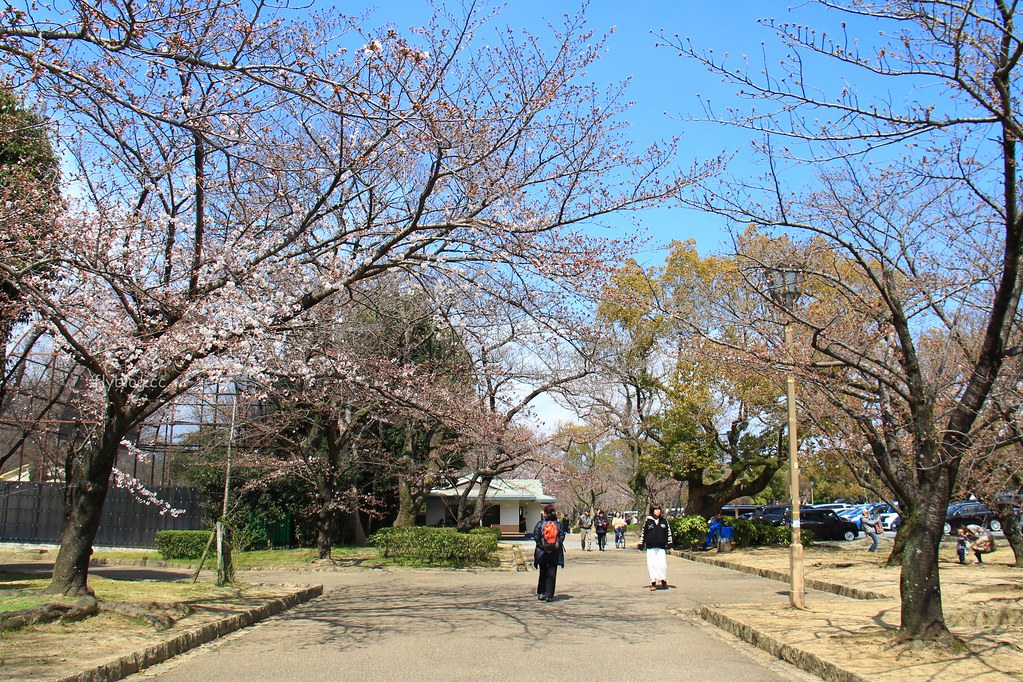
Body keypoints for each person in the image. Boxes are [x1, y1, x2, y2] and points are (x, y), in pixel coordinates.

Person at [533, 504, 566, 602]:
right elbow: (561, 536)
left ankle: (541, 593)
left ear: (545, 514)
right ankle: (549, 594)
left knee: (543, 572)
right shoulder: (558, 525)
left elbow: (536, 536)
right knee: (552, 573)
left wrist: (543, 547)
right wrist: (555, 546)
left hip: (542, 552)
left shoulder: (540, 524)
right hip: (555, 553)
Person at [639, 504, 673, 591]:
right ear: (652, 511)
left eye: (659, 510)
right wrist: (641, 545)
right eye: (655, 510)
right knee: (652, 565)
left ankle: (663, 579)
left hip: (661, 546)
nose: (658, 511)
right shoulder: (648, 521)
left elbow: (668, 533)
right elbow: (643, 533)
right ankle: (653, 583)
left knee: (662, 565)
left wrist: (670, 545)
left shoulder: (664, 521)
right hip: (650, 547)